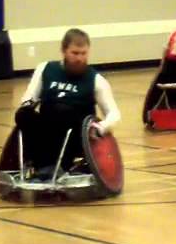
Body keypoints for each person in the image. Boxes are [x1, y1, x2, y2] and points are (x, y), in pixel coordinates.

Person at [16, 29, 120, 178]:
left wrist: (102, 127)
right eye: (75, 53)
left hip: (76, 133)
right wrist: (27, 106)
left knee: (61, 111)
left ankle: (56, 166)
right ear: (64, 51)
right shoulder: (45, 69)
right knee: (23, 114)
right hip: (46, 127)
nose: (79, 58)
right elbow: (29, 98)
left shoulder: (96, 80)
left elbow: (114, 114)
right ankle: (38, 163)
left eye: (83, 54)